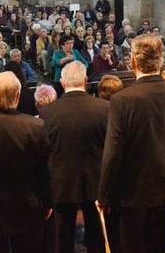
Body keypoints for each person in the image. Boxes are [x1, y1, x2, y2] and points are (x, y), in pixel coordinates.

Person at [97, 34, 165, 253]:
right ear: (161, 61)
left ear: (132, 61)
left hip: (131, 194)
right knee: (160, 245)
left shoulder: (123, 100)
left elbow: (113, 152)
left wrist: (104, 195)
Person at [0, 71, 51, 253]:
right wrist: (48, 202)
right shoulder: (35, 127)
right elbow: (44, 171)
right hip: (27, 206)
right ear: (18, 95)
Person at [39, 61, 109, 253]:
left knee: (61, 240)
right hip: (97, 182)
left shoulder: (47, 113)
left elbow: (44, 153)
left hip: (62, 184)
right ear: (86, 80)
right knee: (98, 239)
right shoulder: (104, 108)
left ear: (62, 83)